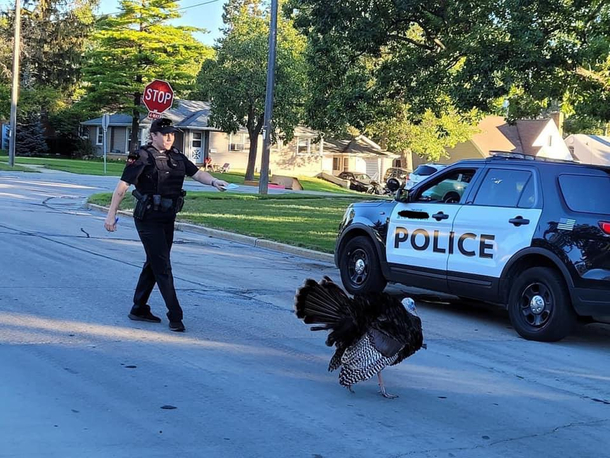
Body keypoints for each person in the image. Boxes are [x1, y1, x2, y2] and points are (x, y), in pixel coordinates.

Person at [103, 117, 228, 332]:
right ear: (153, 135)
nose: (170, 137)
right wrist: (110, 214)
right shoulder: (141, 156)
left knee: (155, 262)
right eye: (165, 134)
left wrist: (214, 181)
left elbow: (197, 173)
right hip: (147, 218)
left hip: (167, 217)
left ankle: (138, 307)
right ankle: (175, 316)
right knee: (162, 266)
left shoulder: (177, 156)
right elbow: (122, 186)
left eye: (172, 133)